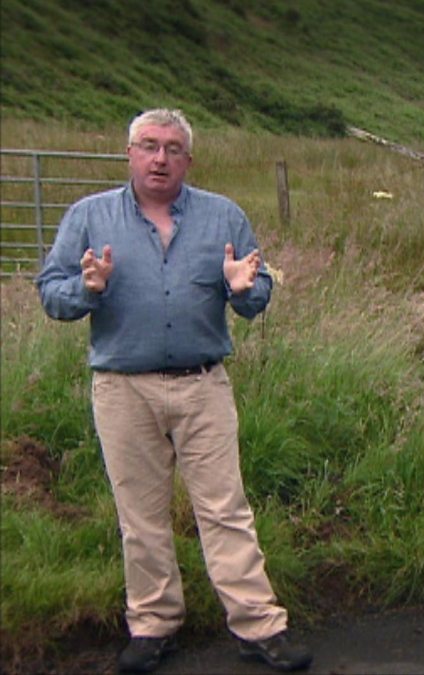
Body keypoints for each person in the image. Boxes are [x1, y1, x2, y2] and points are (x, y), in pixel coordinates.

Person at [35, 109, 312, 673]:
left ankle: (259, 625)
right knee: (141, 516)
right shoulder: (89, 216)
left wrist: (245, 289)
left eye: (172, 148)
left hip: (203, 386)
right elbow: (52, 293)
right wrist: (87, 288)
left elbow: (257, 288)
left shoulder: (223, 216)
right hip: (123, 390)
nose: (159, 158)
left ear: (188, 159)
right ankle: (153, 625)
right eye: (148, 146)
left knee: (225, 509)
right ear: (130, 154)